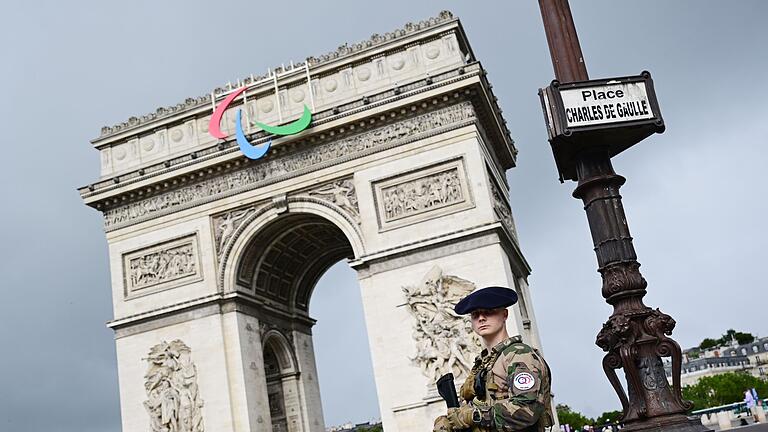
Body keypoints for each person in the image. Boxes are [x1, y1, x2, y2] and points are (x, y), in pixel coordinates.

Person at [433, 286, 553, 432]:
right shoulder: (483, 363)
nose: (481, 318)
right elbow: (471, 407)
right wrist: (450, 422)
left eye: (488, 312)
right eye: (475, 315)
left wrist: (474, 416)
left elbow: (526, 410)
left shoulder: (519, 355)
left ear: (504, 315)